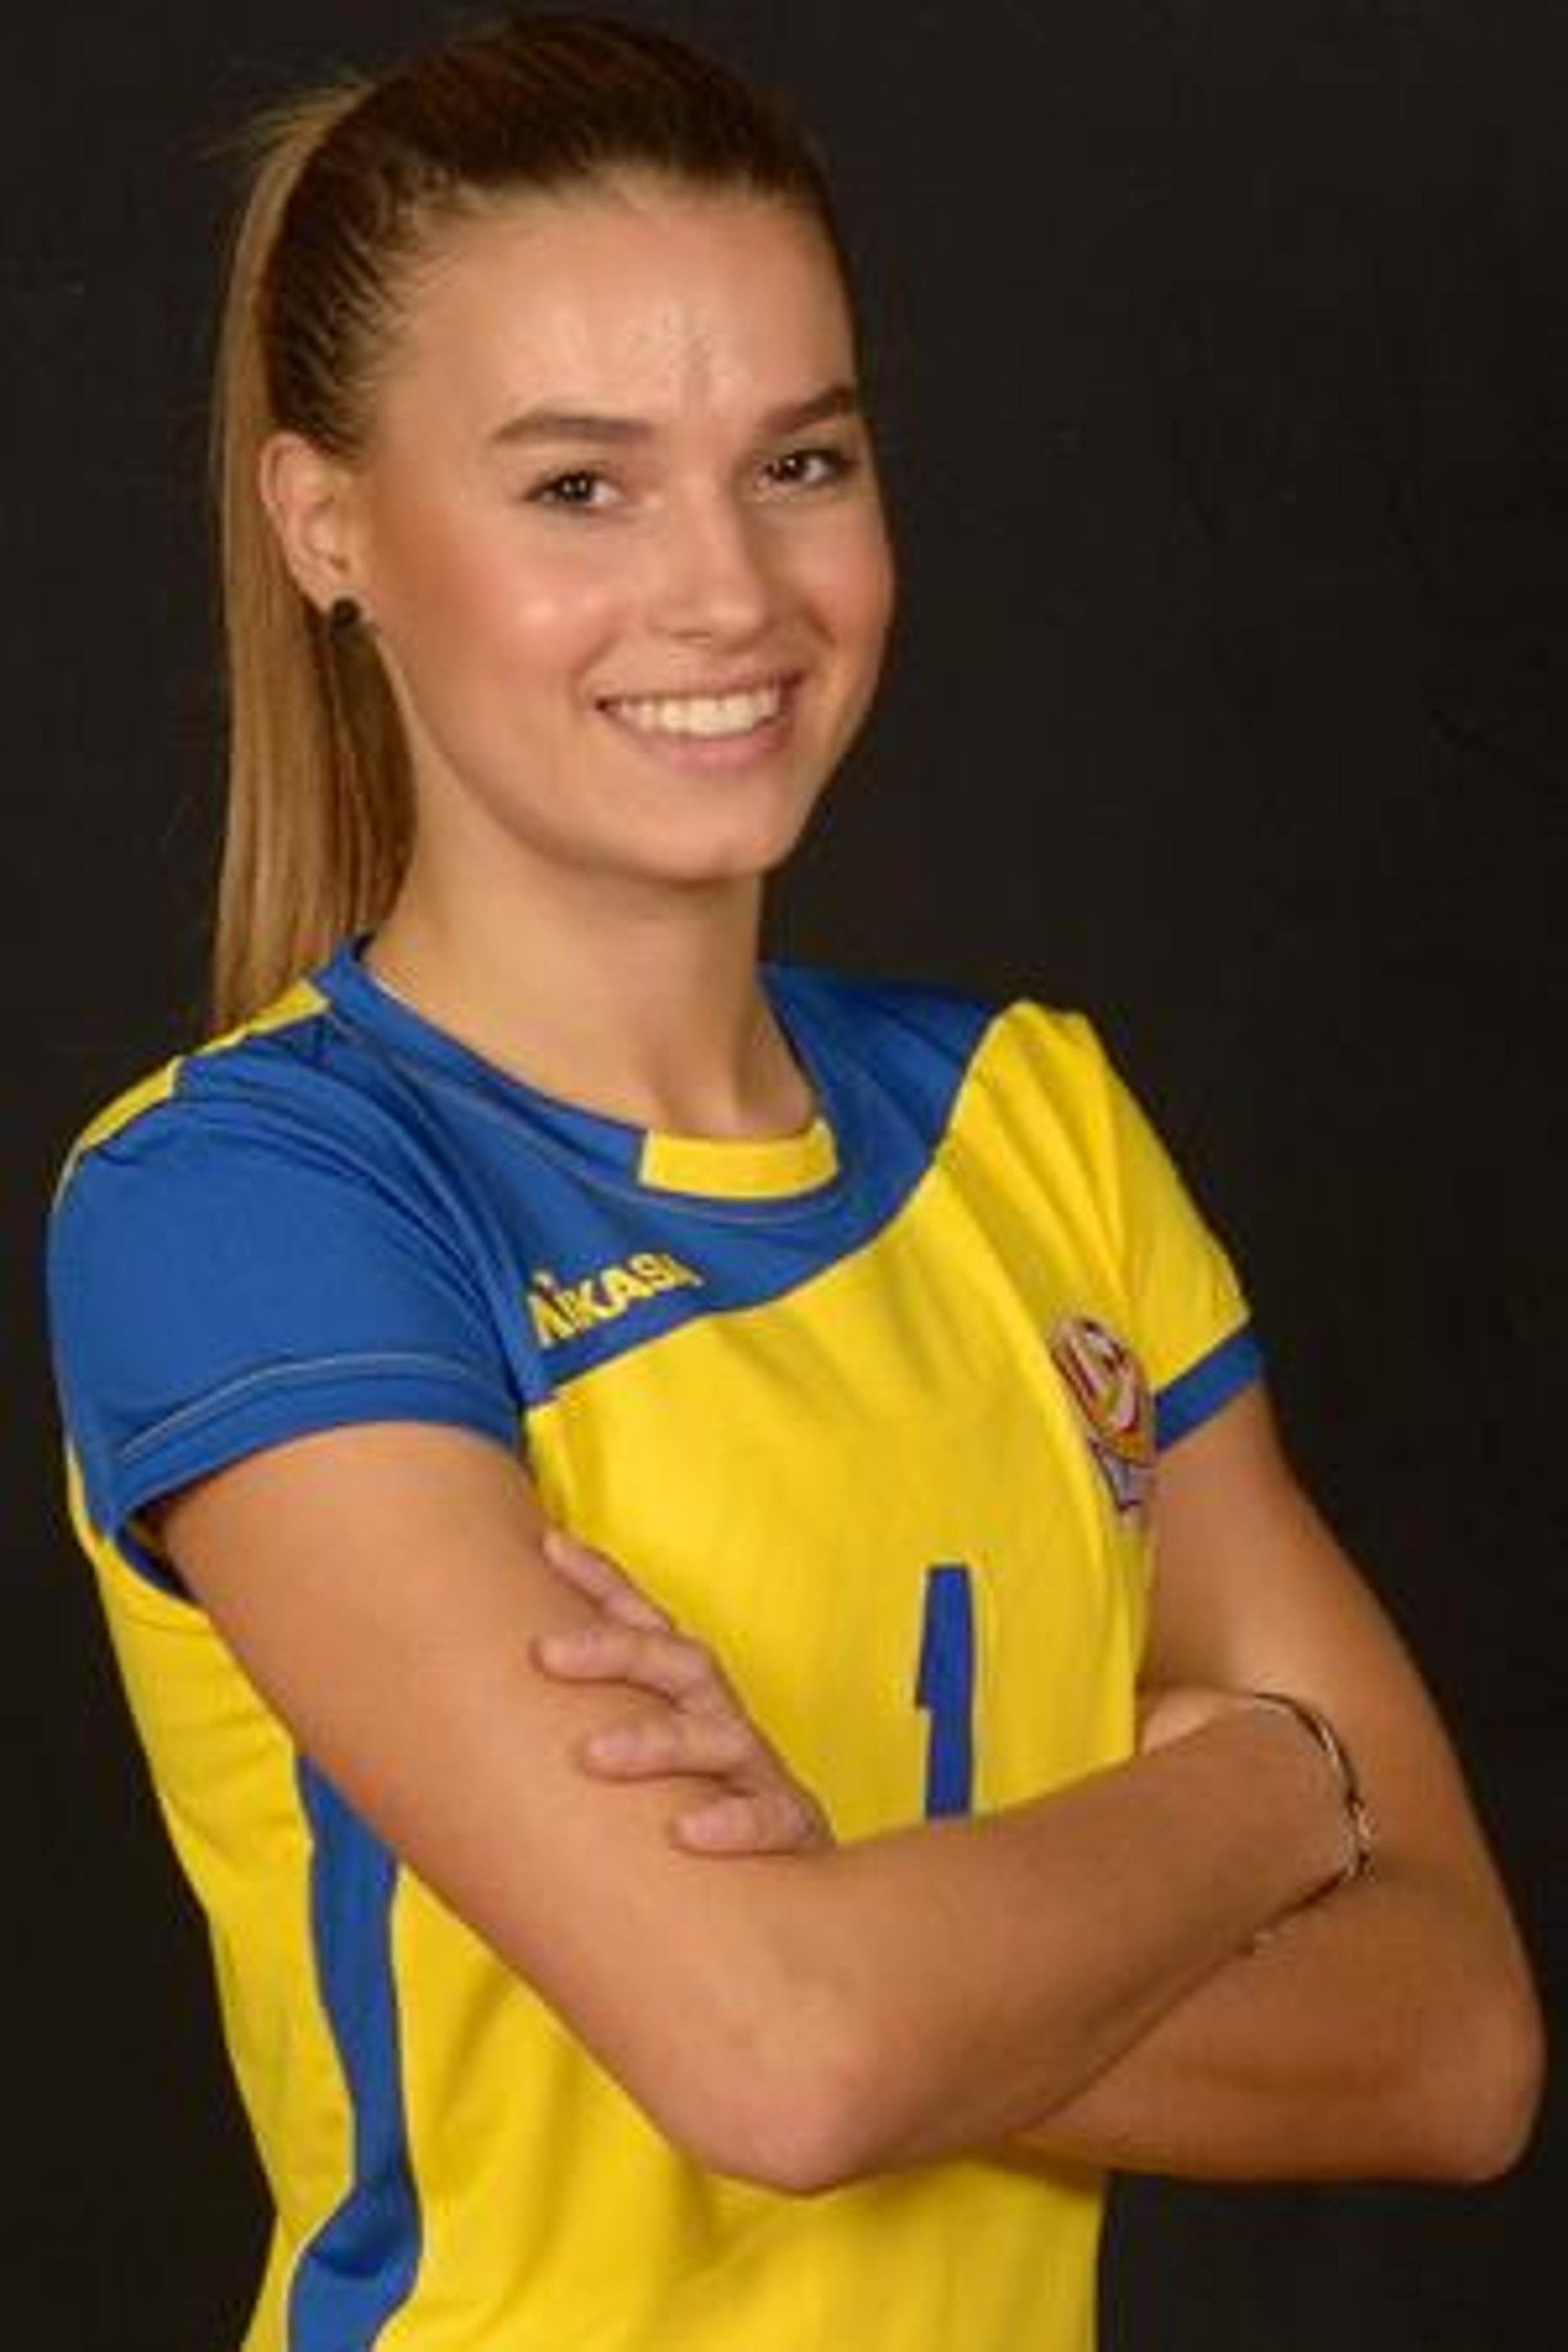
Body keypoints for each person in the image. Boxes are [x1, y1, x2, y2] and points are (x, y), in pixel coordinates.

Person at [46, 13, 1542, 2350]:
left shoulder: (1034, 1123)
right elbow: (783, 2060)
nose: (731, 592)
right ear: (327, 527)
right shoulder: (244, 1204)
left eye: (801, 461)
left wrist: (860, 1935)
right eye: (580, 486)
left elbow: (1458, 2048)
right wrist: (1275, 1790)